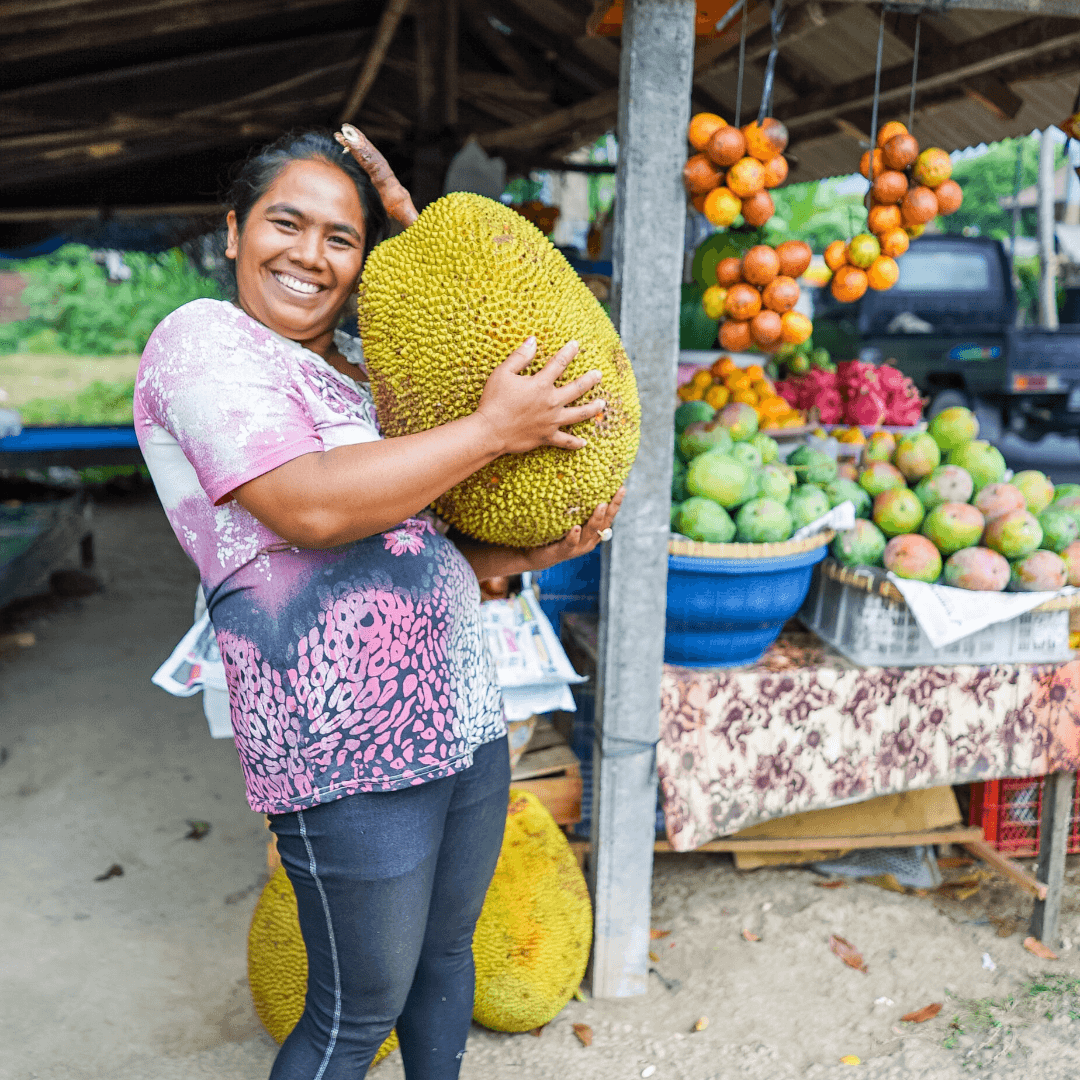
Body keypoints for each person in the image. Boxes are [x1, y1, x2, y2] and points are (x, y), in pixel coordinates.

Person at [133, 129, 623, 1080]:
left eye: (340, 238)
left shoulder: (367, 369)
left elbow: (410, 541)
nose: (311, 255)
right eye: (286, 222)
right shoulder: (203, 342)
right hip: (337, 738)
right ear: (233, 232)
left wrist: (519, 551)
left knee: (447, 959)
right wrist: (489, 427)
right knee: (355, 1017)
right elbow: (311, 507)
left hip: (460, 707)